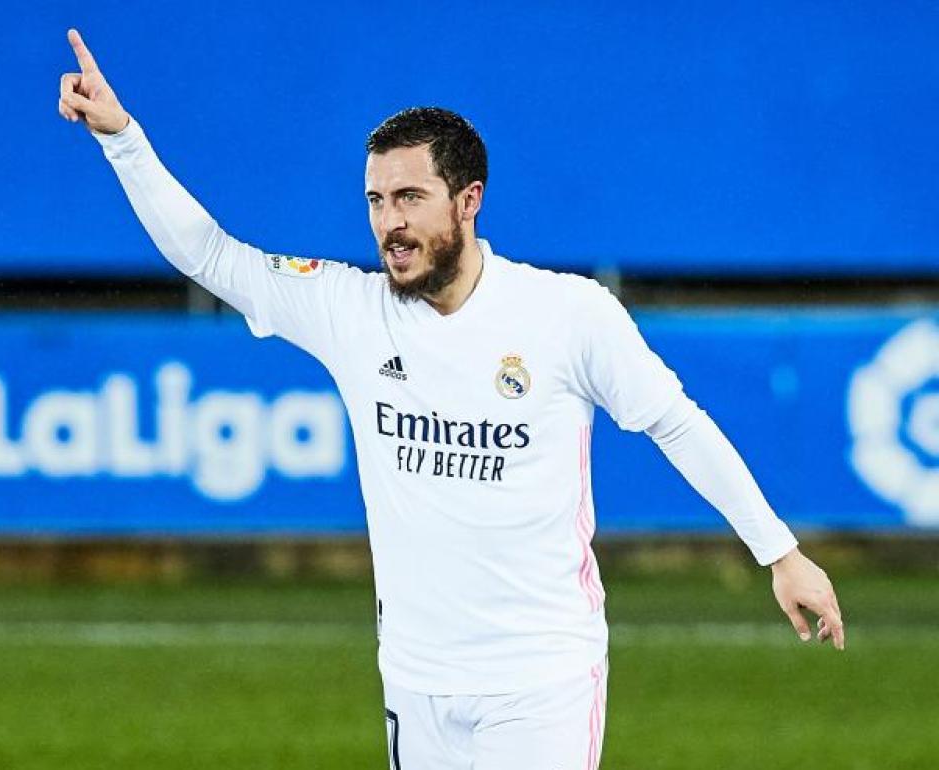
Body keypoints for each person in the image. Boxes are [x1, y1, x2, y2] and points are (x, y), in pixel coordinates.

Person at [57, 28, 844, 770]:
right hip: (416, 681)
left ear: (468, 200)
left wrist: (779, 551)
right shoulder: (351, 311)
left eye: (409, 197)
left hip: (542, 681)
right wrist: (123, 140)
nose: (389, 223)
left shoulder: (566, 314)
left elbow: (676, 423)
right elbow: (213, 257)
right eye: (375, 201)